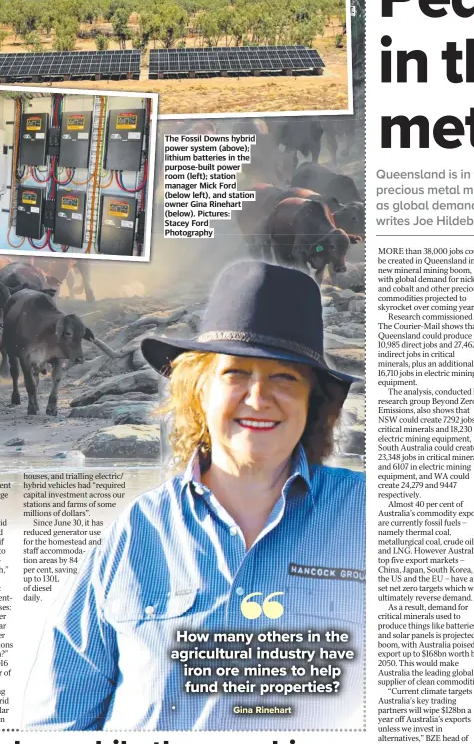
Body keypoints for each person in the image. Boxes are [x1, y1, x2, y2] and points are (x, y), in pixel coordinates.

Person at [24, 261, 365, 731]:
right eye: (235, 373)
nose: (258, 396)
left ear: (314, 403)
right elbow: (58, 721)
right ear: (197, 392)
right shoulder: (136, 529)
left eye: (285, 377)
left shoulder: (375, 522)